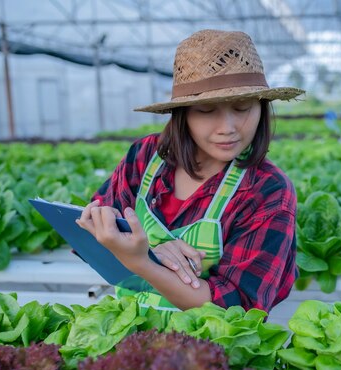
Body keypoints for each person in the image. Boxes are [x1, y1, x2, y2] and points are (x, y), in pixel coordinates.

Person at [76, 29, 304, 313]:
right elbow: (89, 235)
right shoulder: (146, 156)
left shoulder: (267, 190)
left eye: (242, 107)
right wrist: (151, 254)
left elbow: (239, 308)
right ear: (183, 113)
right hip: (128, 332)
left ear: (262, 107)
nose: (227, 127)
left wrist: (142, 263)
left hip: (211, 348)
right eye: (207, 110)